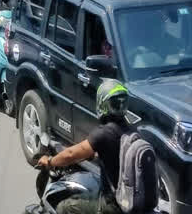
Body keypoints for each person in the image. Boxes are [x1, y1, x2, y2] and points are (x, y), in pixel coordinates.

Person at [37, 80, 130, 214]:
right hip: (129, 199)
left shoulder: (104, 133)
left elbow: (70, 154)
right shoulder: (130, 130)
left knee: (64, 207)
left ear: (102, 104)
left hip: (112, 206)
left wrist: (50, 162)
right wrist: (97, 155)